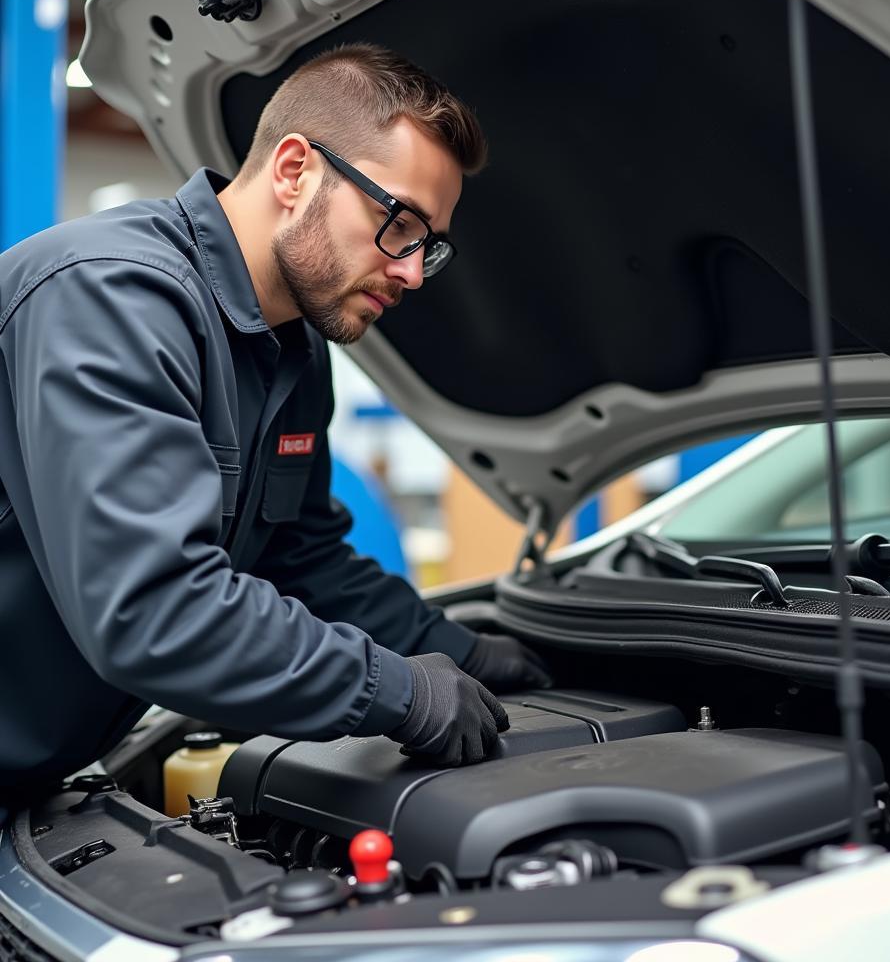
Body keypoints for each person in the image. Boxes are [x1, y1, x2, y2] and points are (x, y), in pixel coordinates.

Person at [0, 43, 551, 797]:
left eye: (431, 246)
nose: (413, 270)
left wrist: (460, 652)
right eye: (400, 224)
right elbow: (154, 610)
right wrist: (397, 692)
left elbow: (301, 558)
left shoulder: (292, 346)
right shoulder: (109, 297)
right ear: (295, 171)